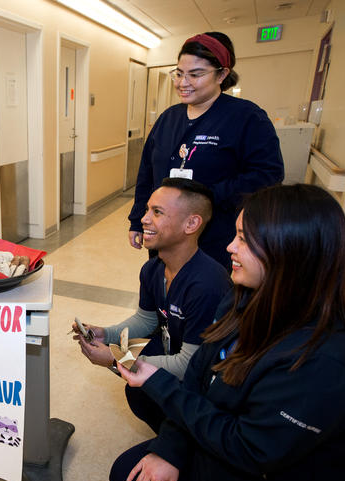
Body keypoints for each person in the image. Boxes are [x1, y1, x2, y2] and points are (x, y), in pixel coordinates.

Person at [110, 184, 345, 481]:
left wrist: (159, 383)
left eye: (243, 238)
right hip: (232, 446)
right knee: (130, 473)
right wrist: (170, 448)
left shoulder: (326, 363)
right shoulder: (241, 297)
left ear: (289, 251)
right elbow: (199, 373)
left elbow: (248, 448)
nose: (229, 246)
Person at [74, 178, 229, 432]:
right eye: (147, 210)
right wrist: (106, 333)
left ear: (191, 224)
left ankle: (188, 441)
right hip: (177, 346)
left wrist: (115, 360)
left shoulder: (207, 284)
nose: (144, 219)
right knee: (132, 377)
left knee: (134, 375)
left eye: (157, 212)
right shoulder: (152, 269)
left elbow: (188, 364)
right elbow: (146, 319)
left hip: (205, 373)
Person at [127, 32, 283, 268]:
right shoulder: (168, 118)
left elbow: (267, 176)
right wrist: (138, 220)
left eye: (195, 74)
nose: (182, 82)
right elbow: (147, 173)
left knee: (205, 294)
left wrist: (207, 195)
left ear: (222, 74)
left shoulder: (246, 118)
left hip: (214, 235)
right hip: (164, 235)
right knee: (164, 289)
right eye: (178, 73)